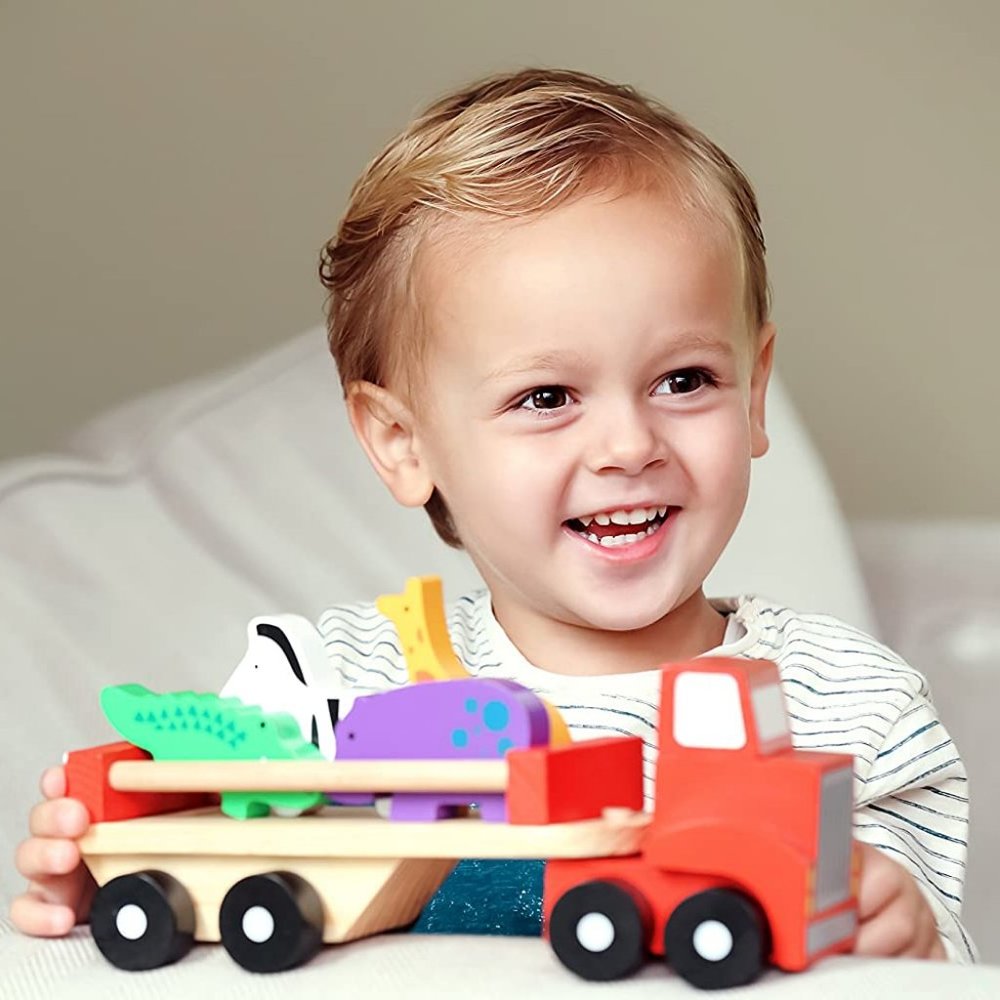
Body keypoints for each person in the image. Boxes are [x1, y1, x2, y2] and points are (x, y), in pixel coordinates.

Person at [11, 68, 974, 962]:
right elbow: (233, 888)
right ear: (403, 444)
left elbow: (954, 964)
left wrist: (907, 931)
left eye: (684, 380)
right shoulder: (344, 690)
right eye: (547, 397)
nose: (628, 445)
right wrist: (94, 889)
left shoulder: (851, 704)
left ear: (755, 393)